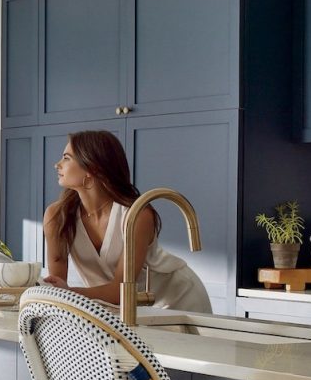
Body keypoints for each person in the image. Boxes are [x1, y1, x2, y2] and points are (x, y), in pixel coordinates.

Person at [41, 130, 212, 313]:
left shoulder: (137, 215)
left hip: (177, 298)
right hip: (125, 308)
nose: (57, 164)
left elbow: (119, 291)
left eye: (66, 158)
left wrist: (69, 293)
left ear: (93, 167)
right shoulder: (57, 216)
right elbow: (56, 287)